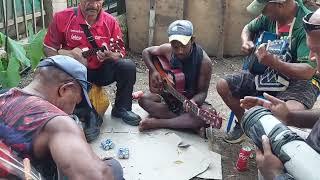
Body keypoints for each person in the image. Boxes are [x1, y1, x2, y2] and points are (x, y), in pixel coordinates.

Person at [0, 55, 123, 179]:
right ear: (64, 89)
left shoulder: (4, 97)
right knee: (113, 168)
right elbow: (96, 177)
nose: (73, 110)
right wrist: (109, 167)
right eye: (76, 102)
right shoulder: (57, 122)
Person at [216, 0, 319, 144]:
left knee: (288, 113)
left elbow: (308, 71)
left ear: (280, 5)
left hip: (300, 80)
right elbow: (248, 28)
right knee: (223, 85)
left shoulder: (307, 25)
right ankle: (245, 123)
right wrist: (246, 41)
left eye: (264, 9)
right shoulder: (269, 17)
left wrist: (275, 62)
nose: (261, 12)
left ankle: (273, 144)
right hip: (268, 73)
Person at [43, 0, 141, 141]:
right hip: (74, 75)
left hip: (101, 70)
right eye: (89, 0)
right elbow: (48, 48)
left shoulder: (111, 22)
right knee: (66, 70)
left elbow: (120, 52)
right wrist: (66, 56)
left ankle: (122, 108)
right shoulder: (62, 17)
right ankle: (89, 116)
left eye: (98, 1)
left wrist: (109, 56)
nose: (94, 5)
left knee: (127, 66)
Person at [241, 9, 320, 180]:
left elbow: (307, 71)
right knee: (269, 139)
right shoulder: (266, 19)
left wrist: (276, 175)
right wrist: (291, 117)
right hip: (313, 146)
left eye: (318, 51)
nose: (312, 57)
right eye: (311, 50)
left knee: (269, 162)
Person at [138, 20, 214, 136]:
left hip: (188, 102)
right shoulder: (168, 49)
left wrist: (193, 101)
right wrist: (153, 71)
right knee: (143, 100)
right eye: (175, 46)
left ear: (192, 40)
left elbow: (202, 93)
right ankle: (185, 124)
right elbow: (146, 52)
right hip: (170, 100)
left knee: (207, 114)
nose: (179, 51)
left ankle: (157, 123)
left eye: (183, 46)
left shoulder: (204, 62)